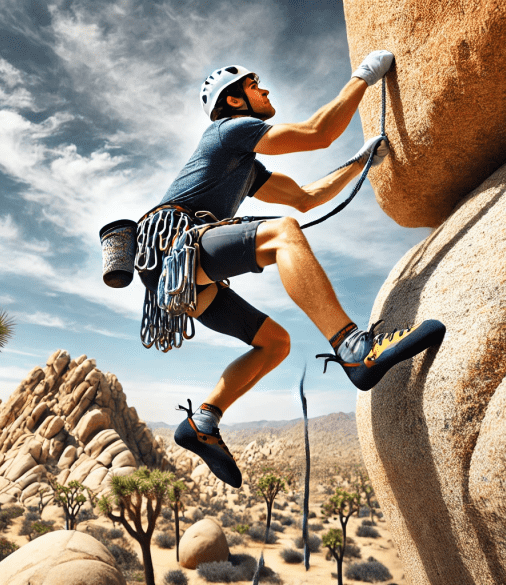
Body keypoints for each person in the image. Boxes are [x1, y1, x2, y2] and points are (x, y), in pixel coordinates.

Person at [134, 51, 445, 488]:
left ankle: (203, 421)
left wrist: (360, 163)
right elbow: (319, 132)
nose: (265, 89)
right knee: (283, 233)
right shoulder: (228, 131)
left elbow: (305, 198)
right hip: (176, 247)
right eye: (255, 84)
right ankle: (355, 347)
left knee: (275, 343)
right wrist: (364, 77)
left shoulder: (246, 167)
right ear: (236, 101)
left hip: (179, 275)